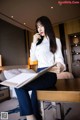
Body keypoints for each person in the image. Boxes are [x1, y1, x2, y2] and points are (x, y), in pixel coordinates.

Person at [15, 16, 66, 120]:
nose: (40, 29)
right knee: (24, 89)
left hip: (49, 74)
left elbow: (59, 59)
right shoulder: (37, 43)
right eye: (38, 27)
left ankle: (30, 118)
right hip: (38, 74)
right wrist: (33, 42)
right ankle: (35, 116)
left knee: (20, 87)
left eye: (42, 26)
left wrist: (60, 66)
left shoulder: (55, 40)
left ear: (47, 25)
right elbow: (33, 58)